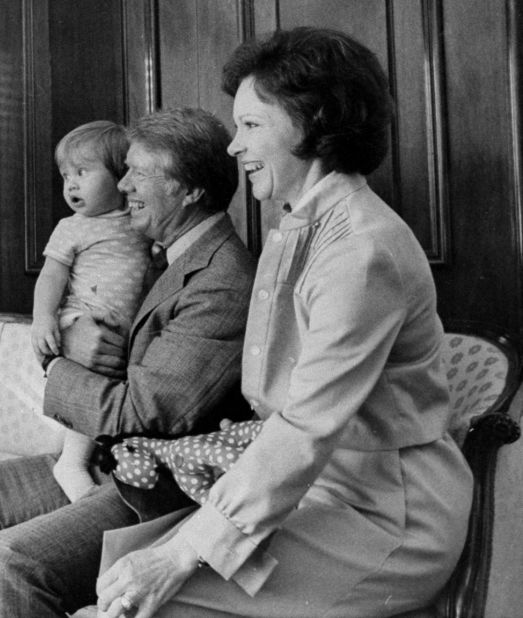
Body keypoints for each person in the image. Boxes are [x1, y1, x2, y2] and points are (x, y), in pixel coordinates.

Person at [93, 27, 473, 618]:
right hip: (318, 489)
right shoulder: (301, 225)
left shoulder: (361, 250)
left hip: (387, 516)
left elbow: (307, 424)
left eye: (251, 126)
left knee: (140, 602)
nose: (231, 147)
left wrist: (183, 553)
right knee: (120, 576)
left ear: (314, 121)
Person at [0, 107, 256, 617]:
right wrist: (69, 332)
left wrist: (59, 364)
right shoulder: (157, 249)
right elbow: (88, 303)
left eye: (139, 174)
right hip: (105, 457)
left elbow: (149, 411)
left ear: (189, 189)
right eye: (123, 170)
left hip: (151, 484)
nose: (124, 184)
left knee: (4, 563)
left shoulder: (221, 278)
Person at [31, 120, 151, 502]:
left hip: (121, 328)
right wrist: (44, 318)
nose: (71, 184)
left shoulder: (139, 221)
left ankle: (101, 457)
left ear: (121, 175)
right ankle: (72, 461)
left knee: (117, 387)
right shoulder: (73, 227)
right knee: (93, 380)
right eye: (66, 175)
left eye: (82, 172)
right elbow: (51, 276)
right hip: (81, 317)